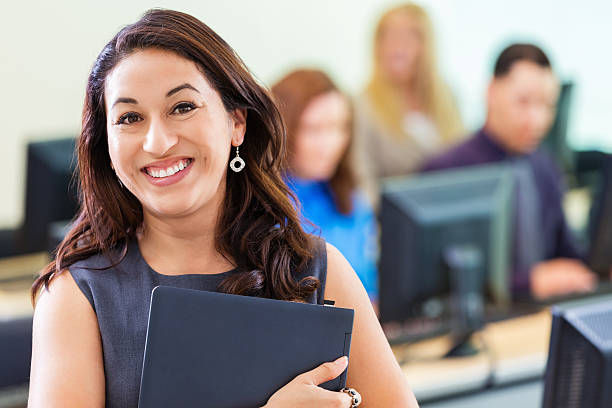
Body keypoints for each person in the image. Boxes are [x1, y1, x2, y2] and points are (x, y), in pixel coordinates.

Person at [27, 9, 418, 408]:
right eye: (129, 118)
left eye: (182, 107)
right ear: (107, 149)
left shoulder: (317, 268)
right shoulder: (77, 296)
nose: (157, 142)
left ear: (237, 122)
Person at [422, 43, 596, 300]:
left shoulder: (545, 166)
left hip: (541, 315)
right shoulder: (446, 170)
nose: (536, 119)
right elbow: (437, 278)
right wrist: (529, 281)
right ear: (491, 92)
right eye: (523, 102)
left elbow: (567, 251)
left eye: (547, 106)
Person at [271, 69, 378, 302]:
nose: (331, 144)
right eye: (314, 129)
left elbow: (370, 294)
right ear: (282, 129)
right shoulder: (263, 207)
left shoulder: (352, 201)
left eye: (340, 127)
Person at [355, 2, 464, 193]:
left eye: (410, 35)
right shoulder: (363, 105)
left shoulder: (447, 96)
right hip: (395, 217)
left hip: (450, 210)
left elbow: (463, 161)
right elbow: (362, 181)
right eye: (389, 35)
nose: (398, 45)